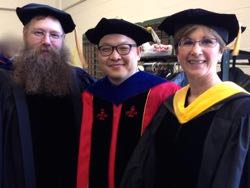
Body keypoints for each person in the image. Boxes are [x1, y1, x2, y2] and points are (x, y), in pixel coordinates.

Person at [120, 8, 250, 188]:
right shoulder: (170, 106)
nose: (196, 51)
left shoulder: (242, 111)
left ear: (221, 51)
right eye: (187, 42)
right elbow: (144, 168)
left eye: (207, 42)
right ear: (178, 52)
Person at [76, 18, 180, 188]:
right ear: (98, 54)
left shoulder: (165, 93)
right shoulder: (91, 96)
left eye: (124, 48)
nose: (115, 56)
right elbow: (85, 155)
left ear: (138, 52)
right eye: (106, 49)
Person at [1, 3, 94, 188]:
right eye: (38, 33)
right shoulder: (4, 81)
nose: (47, 41)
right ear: (25, 36)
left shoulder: (79, 80)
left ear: (62, 40)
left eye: (54, 35)